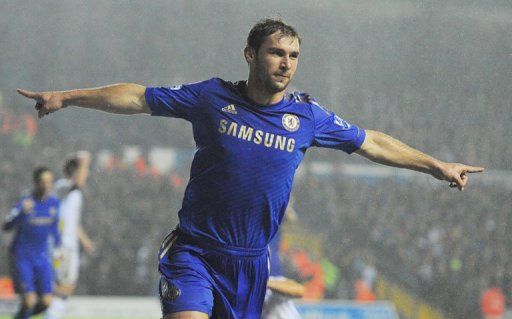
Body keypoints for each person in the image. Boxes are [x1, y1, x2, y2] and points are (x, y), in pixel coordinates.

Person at [17, 18, 484, 319]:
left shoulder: (308, 117)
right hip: (194, 253)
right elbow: (138, 97)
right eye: (277, 52)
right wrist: (67, 97)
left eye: (294, 56)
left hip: (250, 264)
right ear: (250, 54)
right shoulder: (211, 97)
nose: (286, 64)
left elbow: (373, 142)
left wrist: (437, 165)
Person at [3, 167, 61, 319]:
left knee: (47, 301)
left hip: (42, 258)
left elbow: (54, 228)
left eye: (49, 181)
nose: (47, 185)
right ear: (36, 183)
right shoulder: (26, 202)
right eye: (43, 181)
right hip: (23, 257)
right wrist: (21, 211)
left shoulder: (54, 203)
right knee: (29, 300)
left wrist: (58, 247)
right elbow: (6, 224)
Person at [45, 151, 95, 319]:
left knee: (68, 286)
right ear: (75, 171)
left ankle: (53, 312)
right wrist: (84, 162)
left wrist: (84, 240)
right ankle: (51, 314)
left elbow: (72, 221)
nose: (86, 174)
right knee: (63, 286)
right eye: (83, 171)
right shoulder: (63, 185)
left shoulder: (73, 192)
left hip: (70, 244)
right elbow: (78, 182)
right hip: (63, 245)